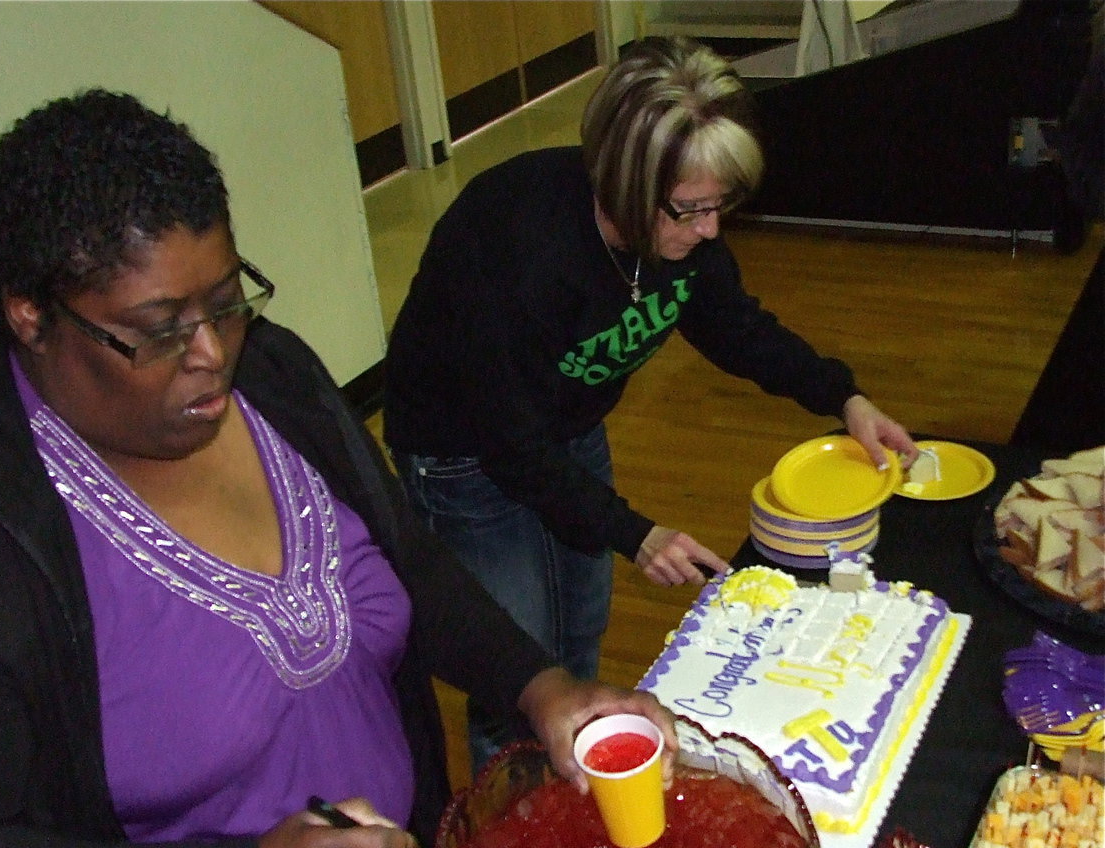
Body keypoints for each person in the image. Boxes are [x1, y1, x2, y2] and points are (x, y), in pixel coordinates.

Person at [0, 88, 679, 848]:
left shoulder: (270, 377)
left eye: (226, 304)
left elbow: (399, 561)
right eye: (156, 330)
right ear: (30, 315)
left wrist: (539, 683)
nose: (209, 357)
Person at [383, 36, 918, 768]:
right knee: (521, 677)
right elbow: (511, 444)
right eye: (691, 210)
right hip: (464, 460)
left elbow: (736, 328)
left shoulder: (680, 240)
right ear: (627, 184)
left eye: (720, 206)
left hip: (564, 433)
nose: (710, 230)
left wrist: (844, 397)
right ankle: (518, 846)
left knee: (578, 638)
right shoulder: (515, 245)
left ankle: (572, 796)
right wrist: (636, 533)